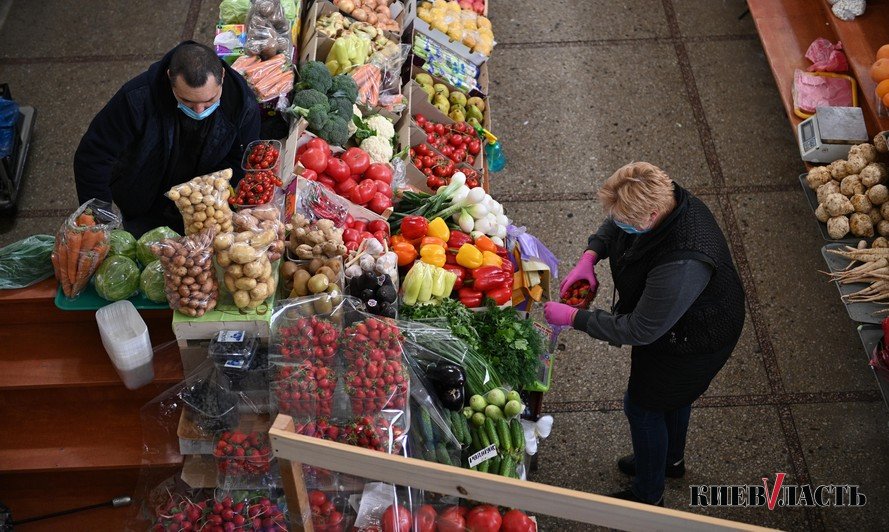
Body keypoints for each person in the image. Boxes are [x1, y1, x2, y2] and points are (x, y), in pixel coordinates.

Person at [543, 162, 745, 507]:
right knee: (673, 399)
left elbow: (641, 329)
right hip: (677, 326)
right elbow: (616, 223)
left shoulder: (683, 262)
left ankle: (648, 495)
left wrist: (576, 317)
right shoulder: (664, 200)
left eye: (626, 222)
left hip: (694, 340)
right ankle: (669, 460)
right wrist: (590, 255)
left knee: (643, 407)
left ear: (652, 215)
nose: (618, 224)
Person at [74, 41, 260, 237]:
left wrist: (215, 195)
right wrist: (98, 219)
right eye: (187, 101)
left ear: (222, 76)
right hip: (144, 200)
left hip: (206, 205)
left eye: (209, 101)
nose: (198, 110)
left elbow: (244, 157)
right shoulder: (136, 99)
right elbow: (93, 157)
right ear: (170, 79)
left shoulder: (242, 104)